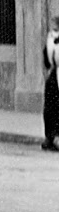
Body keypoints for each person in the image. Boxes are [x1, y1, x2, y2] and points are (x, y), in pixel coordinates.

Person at [43, 17, 59, 151]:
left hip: (53, 75)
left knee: (51, 107)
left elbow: (47, 61)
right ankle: (52, 137)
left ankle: (51, 137)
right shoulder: (52, 40)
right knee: (51, 106)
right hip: (54, 75)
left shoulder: (51, 40)